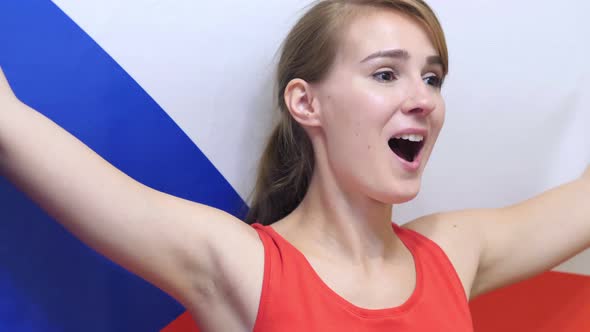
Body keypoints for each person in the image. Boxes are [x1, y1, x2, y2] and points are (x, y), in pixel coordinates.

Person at [0, 0, 588, 331]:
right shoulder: (243, 266)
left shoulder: (453, 254)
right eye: (387, 73)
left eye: (432, 77)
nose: (424, 98)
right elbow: (10, 127)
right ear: (306, 103)